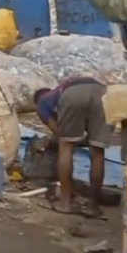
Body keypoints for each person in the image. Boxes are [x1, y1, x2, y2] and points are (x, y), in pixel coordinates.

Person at [33, 76, 112, 217]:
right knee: (98, 152)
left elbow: (59, 134)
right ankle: (92, 207)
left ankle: (65, 203)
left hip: (74, 94)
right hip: (103, 93)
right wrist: (85, 140)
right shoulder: (58, 91)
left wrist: (57, 141)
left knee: (66, 147)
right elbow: (89, 136)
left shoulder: (42, 103)